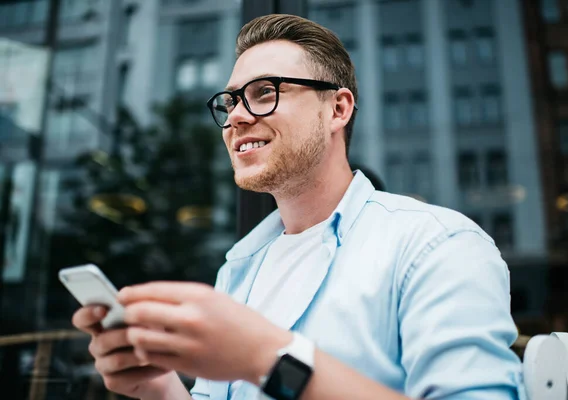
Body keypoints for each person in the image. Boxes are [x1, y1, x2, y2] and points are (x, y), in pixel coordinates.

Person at [72, 14, 526, 400]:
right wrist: (161, 389)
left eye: (265, 92)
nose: (236, 117)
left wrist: (265, 359)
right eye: (230, 101)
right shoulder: (238, 270)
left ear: (337, 110)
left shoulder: (435, 245)